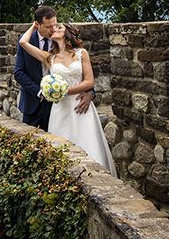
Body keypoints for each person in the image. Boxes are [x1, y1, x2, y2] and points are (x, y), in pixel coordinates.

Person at [18, 19, 116, 175]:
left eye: (59, 27)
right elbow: (23, 42)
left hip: (80, 106)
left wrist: (65, 91)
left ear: (67, 33)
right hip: (60, 109)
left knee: (87, 142)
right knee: (61, 147)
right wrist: (34, 25)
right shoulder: (49, 57)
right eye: (53, 27)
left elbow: (89, 81)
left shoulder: (81, 53)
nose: (54, 28)